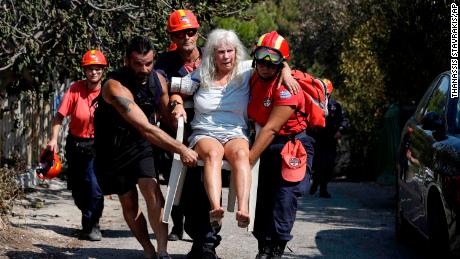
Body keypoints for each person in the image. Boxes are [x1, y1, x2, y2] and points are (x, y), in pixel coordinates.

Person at [93, 36, 198, 259]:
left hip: (141, 145)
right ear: (126, 61)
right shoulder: (114, 87)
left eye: (148, 63)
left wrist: (180, 117)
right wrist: (181, 148)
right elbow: (146, 127)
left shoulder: (157, 79)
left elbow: (167, 118)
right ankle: (148, 250)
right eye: (138, 64)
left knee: (152, 191)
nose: (144, 69)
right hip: (113, 149)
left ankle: (162, 251)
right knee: (129, 202)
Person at [247, 31, 315, 259]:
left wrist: (245, 162)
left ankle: (276, 249)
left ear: (281, 61)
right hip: (265, 144)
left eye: (273, 60)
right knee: (262, 198)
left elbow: (272, 128)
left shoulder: (287, 88)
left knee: (284, 199)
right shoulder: (254, 76)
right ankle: (263, 247)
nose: (266, 65)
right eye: (261, 58)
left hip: (291, 145)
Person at [46, 50, 106, 241]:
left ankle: (93, 224)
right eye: (90, 69)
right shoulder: (75, 89)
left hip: (97, 145)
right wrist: (53, 140)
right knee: (77, 187)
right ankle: (87, 221)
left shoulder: (108, 91)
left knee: (94, 187)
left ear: (103, 70)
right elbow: (59, 117)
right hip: (75, 144)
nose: (93, 72)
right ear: (84, 70)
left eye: (97, 68)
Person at [154, 9, 202, 243]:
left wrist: (284, 68)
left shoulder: (212, 57)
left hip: (202, 131)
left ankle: (202, 231)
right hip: (171, 130)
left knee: (197, 183)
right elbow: (159, 89)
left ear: (197, 33)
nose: (186, 37)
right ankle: (177, 223)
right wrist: (174, 106)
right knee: (174, 179)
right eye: (180, 33)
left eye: (191, 32)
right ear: (172, 37)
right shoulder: (163, 61)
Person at [309, 79, 349, 198]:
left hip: (330, 139)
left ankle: (323, 188)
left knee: (328, 165)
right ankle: (315, 182)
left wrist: (340, 130)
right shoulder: (313, 103)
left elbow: (344, 120)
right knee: (317, 164)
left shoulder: (335, 106)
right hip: (316, 139)